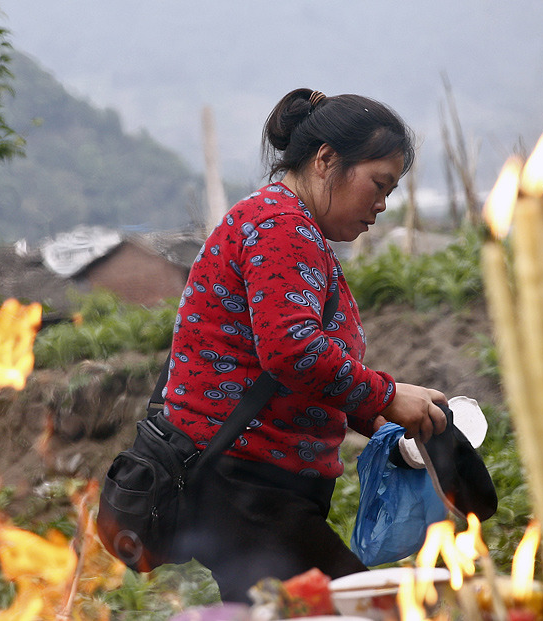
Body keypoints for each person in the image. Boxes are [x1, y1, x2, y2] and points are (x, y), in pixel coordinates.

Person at [163, 88, 449, 603]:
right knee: (353, 608)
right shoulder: (281, 227)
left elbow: (295, 366)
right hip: (247, 487)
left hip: (256, 488)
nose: (382, 205)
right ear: (326, 160)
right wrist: (385, 397)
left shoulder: (289, 226)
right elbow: (292, 352)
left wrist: (381, 420)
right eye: (378, 184)